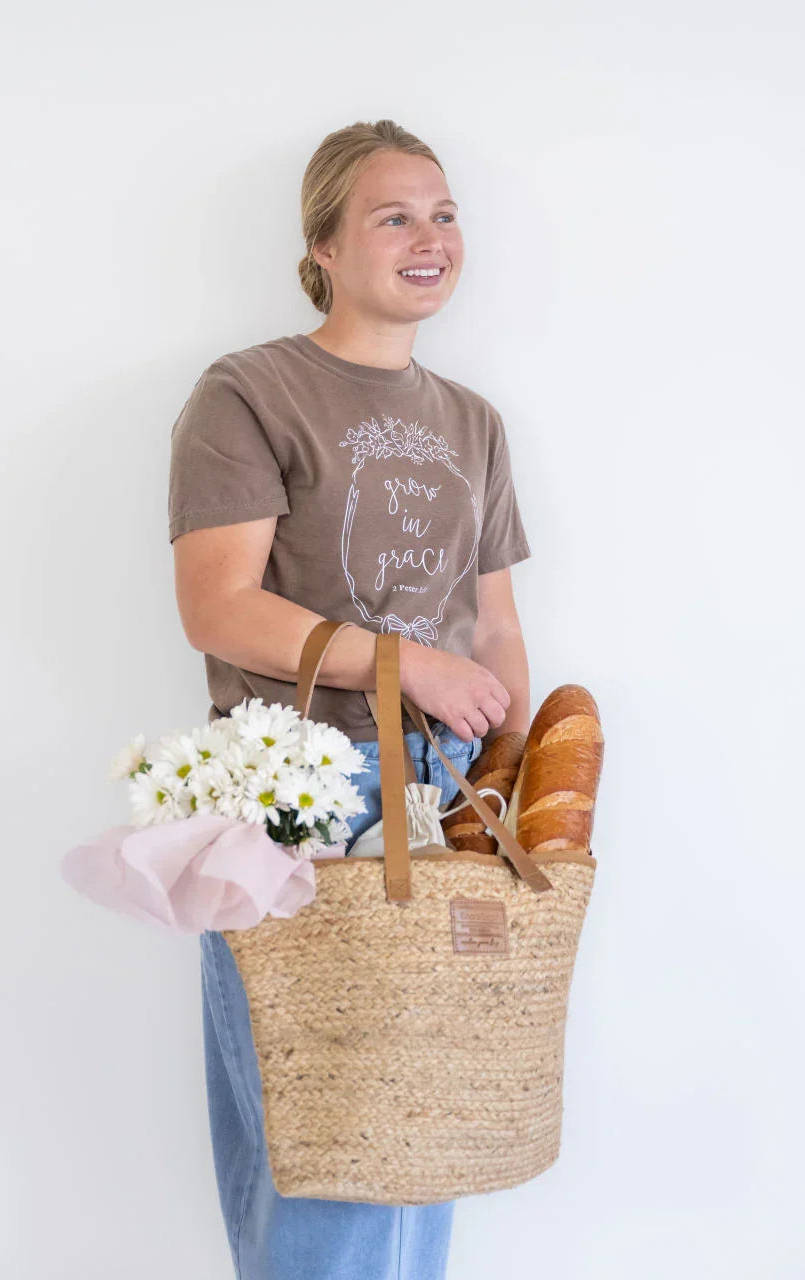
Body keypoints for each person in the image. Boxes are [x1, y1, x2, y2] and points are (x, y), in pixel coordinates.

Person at [168, 118, 533, 1280]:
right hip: (302, 795)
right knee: (325, 1149)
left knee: (417, 1143)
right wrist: (406, 663)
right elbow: (219, 606)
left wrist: (506, 786)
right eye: (394, 217)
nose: (430, 238)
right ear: (322, 244)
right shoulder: (249, 392)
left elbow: (495, 626)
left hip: (443, 796)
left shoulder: (472, 421)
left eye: (444, 215)